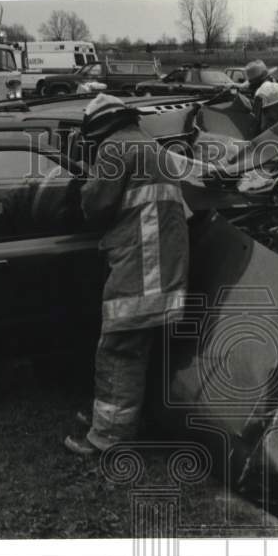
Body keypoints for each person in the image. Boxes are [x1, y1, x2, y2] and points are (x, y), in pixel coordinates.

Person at [64, 94, 191, 456]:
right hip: (162, 264)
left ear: (100, 127)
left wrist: (81, 186)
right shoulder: (149, 146)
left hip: (142, 265)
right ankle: (129, 419)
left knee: (119, 348)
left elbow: (96, 204)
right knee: (142, 347)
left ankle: (108, 436)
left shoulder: (115, 149)